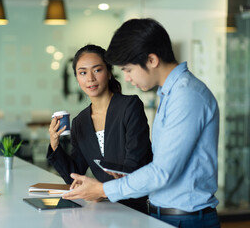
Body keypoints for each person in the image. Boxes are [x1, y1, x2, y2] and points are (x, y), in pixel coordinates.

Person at [62, 19, 221, 228]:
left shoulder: (186, 95)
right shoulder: (169, 94)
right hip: (164, 215)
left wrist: (102, 190)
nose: (126, 78)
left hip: (187, 220)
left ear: (152, 60)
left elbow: (163, 172)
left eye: (128, 69)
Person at [47, 44, 152, 213]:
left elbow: (134, 165)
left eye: (97, 70)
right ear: (77, 78)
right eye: (82, 72)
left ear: (109, 72)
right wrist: (54, 143)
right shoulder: (80, 122)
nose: (90, 78)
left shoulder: (129, 106)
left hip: (137, 206)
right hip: (105, 209)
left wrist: (100, 191)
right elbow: (74, 176)